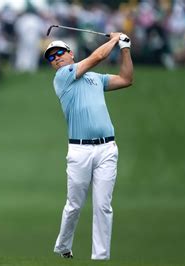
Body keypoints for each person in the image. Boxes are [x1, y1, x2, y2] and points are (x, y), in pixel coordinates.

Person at [44, 33, 133, 260]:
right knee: (74, 205)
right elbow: (97, 57)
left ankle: (100, 257)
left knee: (103, 206)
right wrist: (114, 39)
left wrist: (125, 48)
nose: (55, 58)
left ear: (71, 54)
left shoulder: (95, 78)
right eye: (50, 57)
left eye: (59, 53)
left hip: (107, 149)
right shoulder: (63, 77)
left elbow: (126, 79)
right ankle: (63, 247)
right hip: (79, 150)